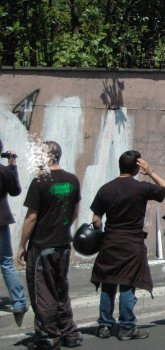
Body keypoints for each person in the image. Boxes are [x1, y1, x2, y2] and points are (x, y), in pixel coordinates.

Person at [90, 150, 165, 341]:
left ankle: (104, 325)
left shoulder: (106, 189)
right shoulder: (142, 188)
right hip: (132, 244)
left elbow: (96, 218)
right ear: (138, 167)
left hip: (110, 243)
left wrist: (99, 230)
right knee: (128, 284)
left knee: (108, 284)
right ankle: (127, 327)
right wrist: (151, 172)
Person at [16, 141, 82, 349]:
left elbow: (31, 217)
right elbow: (74, 212)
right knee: (60, 289)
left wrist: (21, 246)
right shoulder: (72, 180)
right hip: (62, 244)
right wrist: (62, 229)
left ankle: (48, 335)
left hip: (42, 245)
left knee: (42, 292)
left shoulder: (40, 182)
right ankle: (69, 333)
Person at [0, 138, 28, 316]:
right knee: (6, 263)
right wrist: (12, 166)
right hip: (0, 221)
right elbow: (15, 191)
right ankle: (18, 301)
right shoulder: (4, 171)